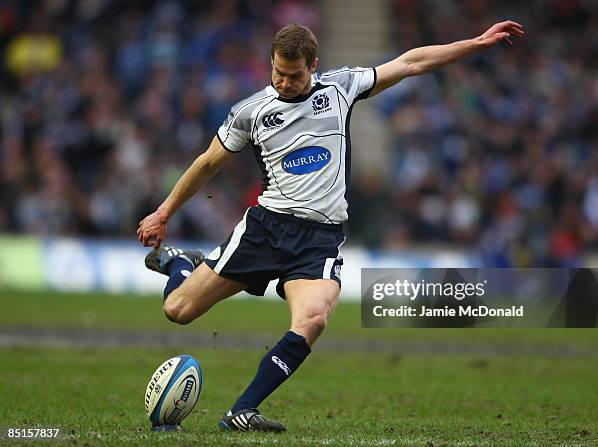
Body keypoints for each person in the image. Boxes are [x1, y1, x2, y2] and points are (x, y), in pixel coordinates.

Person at [137, 21, 524, 432]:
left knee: (313, 319)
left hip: (319, 239)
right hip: (265, 229)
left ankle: (242, 410)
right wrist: (164, 213)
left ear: (314, 66)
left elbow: (411, 63)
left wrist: (475, 43)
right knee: (178, 310)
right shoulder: (250, 112)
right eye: (278, 73)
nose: (285, 83)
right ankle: (179, 263)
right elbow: (208, 163)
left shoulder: (340, 88)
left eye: (295, 75)